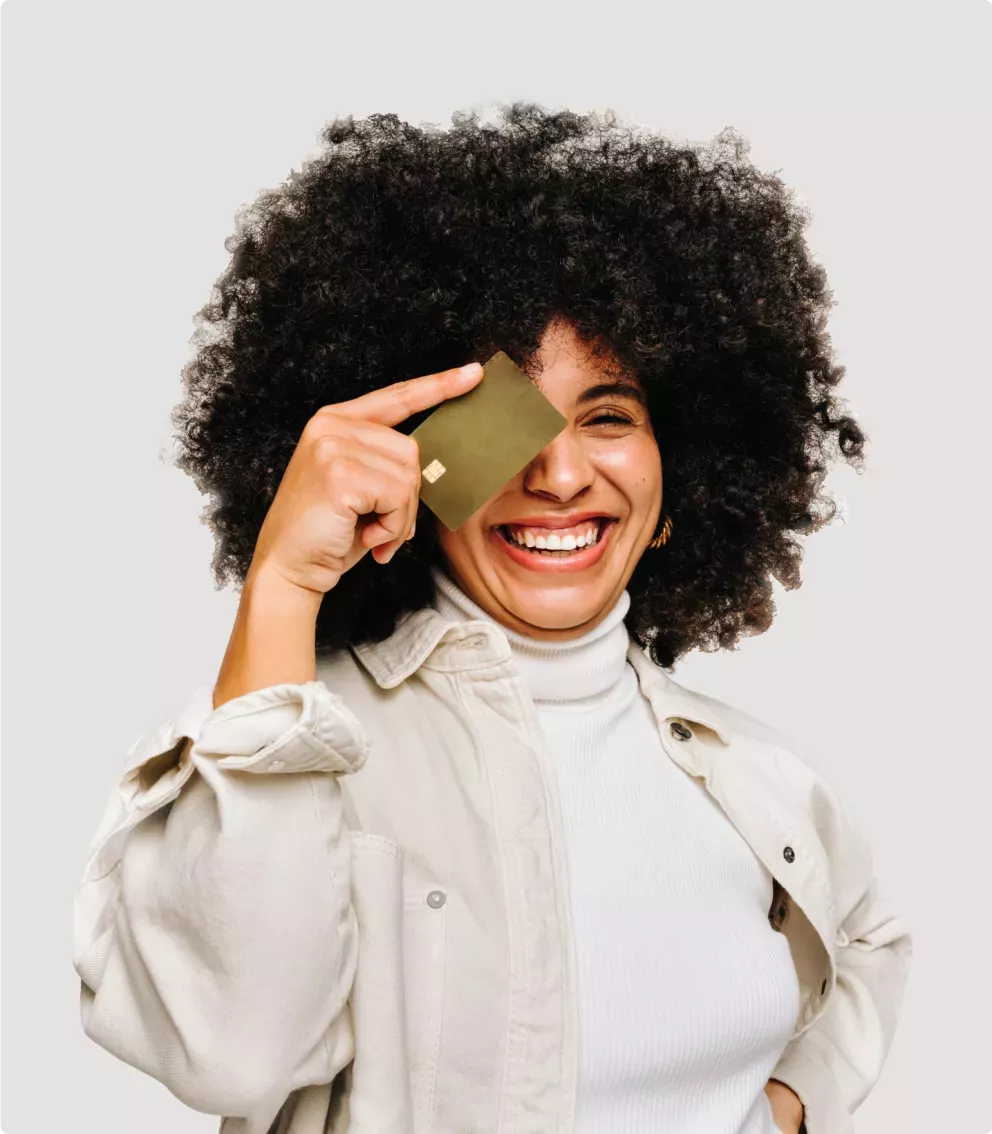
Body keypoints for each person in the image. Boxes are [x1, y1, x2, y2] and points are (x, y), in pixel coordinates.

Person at [73, 104, 911, 1134]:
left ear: (682, 478)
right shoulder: (300, 742)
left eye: (607, 417)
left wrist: (788, 1104)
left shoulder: (749, 776)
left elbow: (865, 942)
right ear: (412, 470)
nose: (558, 473)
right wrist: (283, 585)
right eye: (499, 422)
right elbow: (229, 1055)